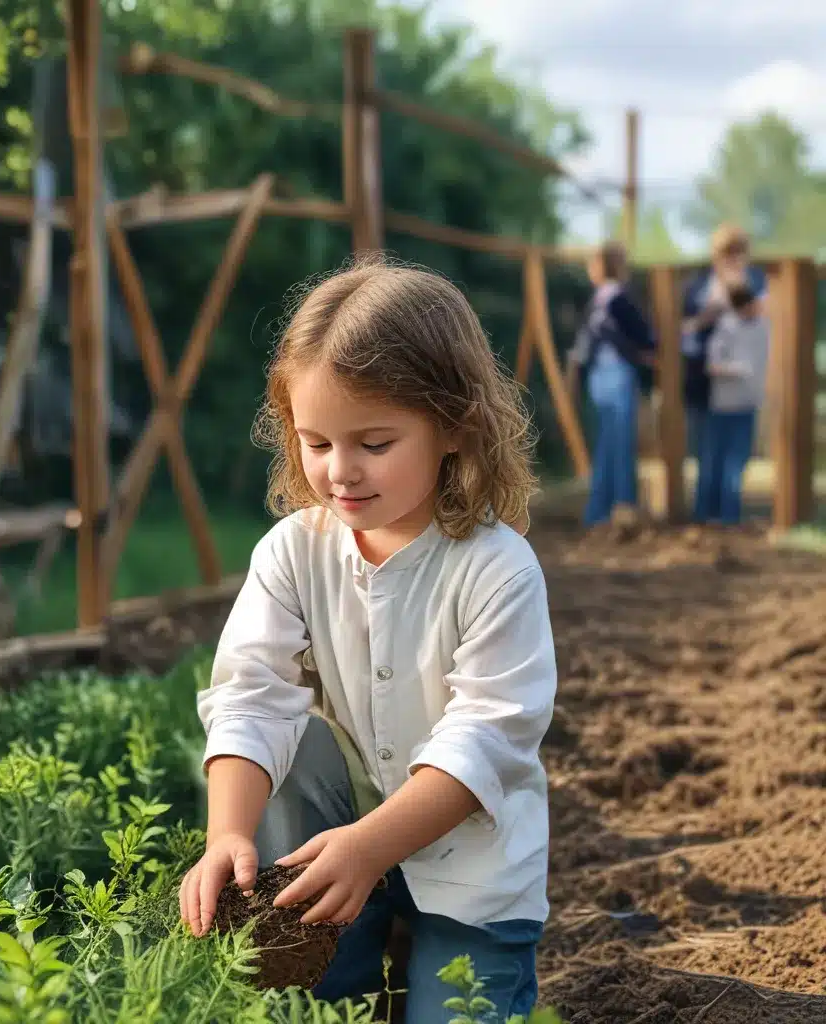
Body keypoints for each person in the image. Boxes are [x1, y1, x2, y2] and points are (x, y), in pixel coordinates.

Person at [179, 257, 557, 1023]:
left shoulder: (496, 569)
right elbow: (251, 693)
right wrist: (228, 833)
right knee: (289, 747)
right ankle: (342, 958)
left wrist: (371, 847)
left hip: (475, 878)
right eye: (316, 443)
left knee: (459, 1007)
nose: (339, 472)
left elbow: (487, 736)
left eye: (374, 444)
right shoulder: (294, 551)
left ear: (453, 424)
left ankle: (409, 942)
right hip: (337, 849)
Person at [567, 240, 656, 527]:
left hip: (599, 377)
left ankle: (599, 510)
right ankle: (622, 506)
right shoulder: (619, 298)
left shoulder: (599, 301)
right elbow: (646, 338)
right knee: (619, 443)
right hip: (617, 374)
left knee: (607, 443)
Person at [681, 223, 767, 472]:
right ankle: (707, 508)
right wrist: (706, 316)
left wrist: (741, 294)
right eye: (727, 252)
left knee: (737, 456)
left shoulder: (757, 283)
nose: (733, 258)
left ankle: (728, 507)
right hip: (704, 380)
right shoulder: (697, 286)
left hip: (742, 382)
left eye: (739, 251)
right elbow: (680, 328)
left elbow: (766, 320)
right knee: (704, 451)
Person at [692, 280, 769, 525]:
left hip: (747, 403)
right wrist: (738, 370)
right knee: (714, 460)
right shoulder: (726, 327)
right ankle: (706, 513)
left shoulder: (763, 326)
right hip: (724, 404)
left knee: (737, 463)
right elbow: (712, 365)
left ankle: (729, 516)